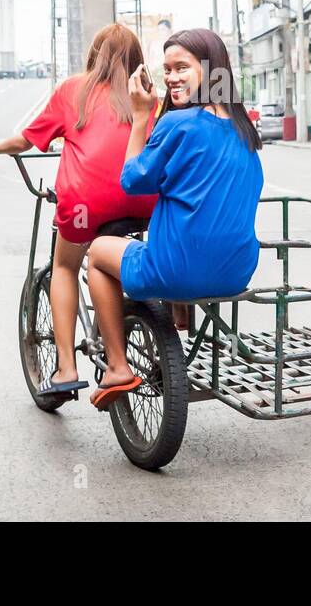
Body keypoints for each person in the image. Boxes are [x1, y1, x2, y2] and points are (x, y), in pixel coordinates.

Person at [84, 28, 263, 410]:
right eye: (167, 69)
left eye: (182, 67)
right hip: (237, 272)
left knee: (99, 252)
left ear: (210, 71)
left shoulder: (177, 124)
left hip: (179, 270)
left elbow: (132, 180)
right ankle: (179, 320)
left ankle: (116, 366)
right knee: (179, 231)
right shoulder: (243, 128)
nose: (171, 77)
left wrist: (140, 117)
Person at [0, 24, 157, 399]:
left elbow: (25, 140)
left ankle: (65, 368)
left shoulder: (74, 89)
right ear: (137, 59)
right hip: (144, 198)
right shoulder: (147, 94)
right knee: (125, 252)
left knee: (64, 266)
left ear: (94, 56)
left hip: (85, 205)